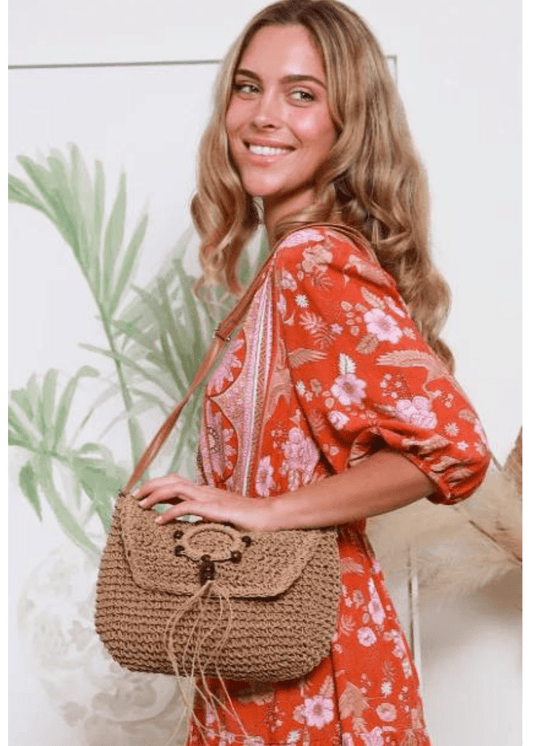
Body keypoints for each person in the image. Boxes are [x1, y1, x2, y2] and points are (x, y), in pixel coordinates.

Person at [133, 1, 491, 744]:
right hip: (258, 638)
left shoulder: (314, 262)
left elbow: (453, 449)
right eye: (246, 86)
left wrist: (261, 511)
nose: (264, 115)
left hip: (309, 660)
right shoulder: (280, 272)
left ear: (346, 124)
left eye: (302, 94)